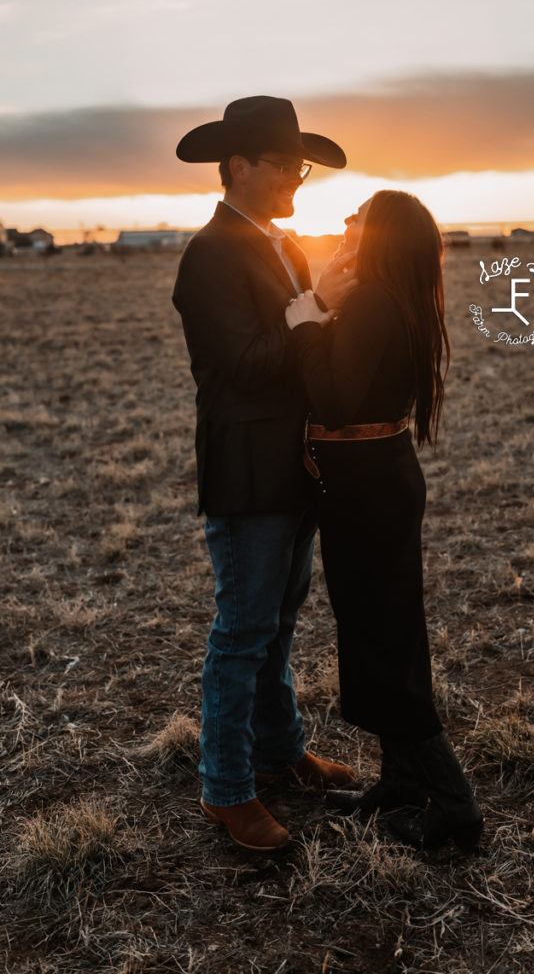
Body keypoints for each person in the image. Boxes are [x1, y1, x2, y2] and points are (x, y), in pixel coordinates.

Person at [172, 96, 358, 852]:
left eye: (300, 166)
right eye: (287, 166)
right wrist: (318, 309)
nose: (298, 180)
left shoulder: (281, 243)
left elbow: (302, 350)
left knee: (278, 625)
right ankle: (226, 790)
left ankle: (280, 755)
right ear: (241, 166)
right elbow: (243, 368)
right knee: (243, 632)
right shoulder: (209, 254)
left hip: (293, 463)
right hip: (247, 472)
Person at [284, 190, 483, 852]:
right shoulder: (385, 294)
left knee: (381, 644)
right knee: (383, 635)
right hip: (377, 480)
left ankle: (454, 807)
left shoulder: (370, 301)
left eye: (358, 216)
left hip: (366, 487)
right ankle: (399, 785)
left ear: (383, 234)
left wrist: (306, 317)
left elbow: (334, 400)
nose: (344, 221)